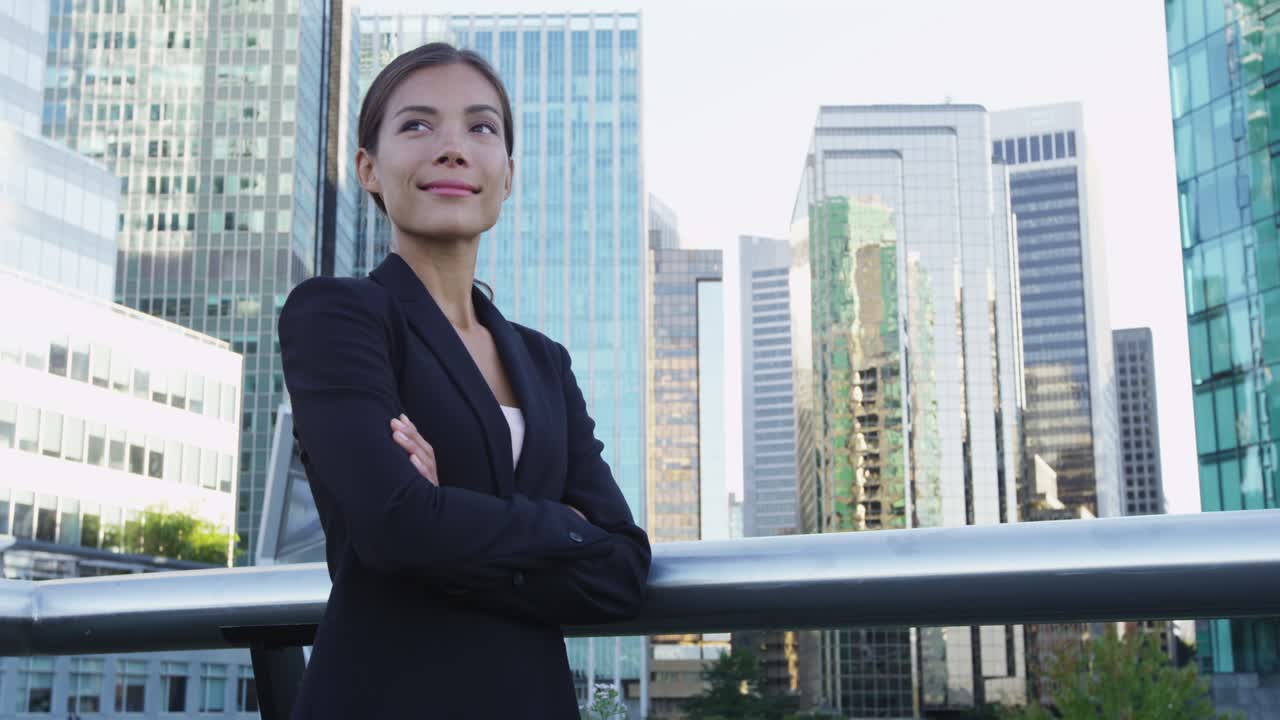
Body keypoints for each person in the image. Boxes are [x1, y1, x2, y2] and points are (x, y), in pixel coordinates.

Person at [277, 42, 651, 719]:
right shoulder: (337, 315)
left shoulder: (544, 363)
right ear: (368, 167)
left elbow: (622, 568)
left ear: (507, 174)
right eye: (417, 125)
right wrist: (563, 526)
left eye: (481, 128)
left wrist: (446, 508)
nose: (452, 148)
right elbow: (396, 526)